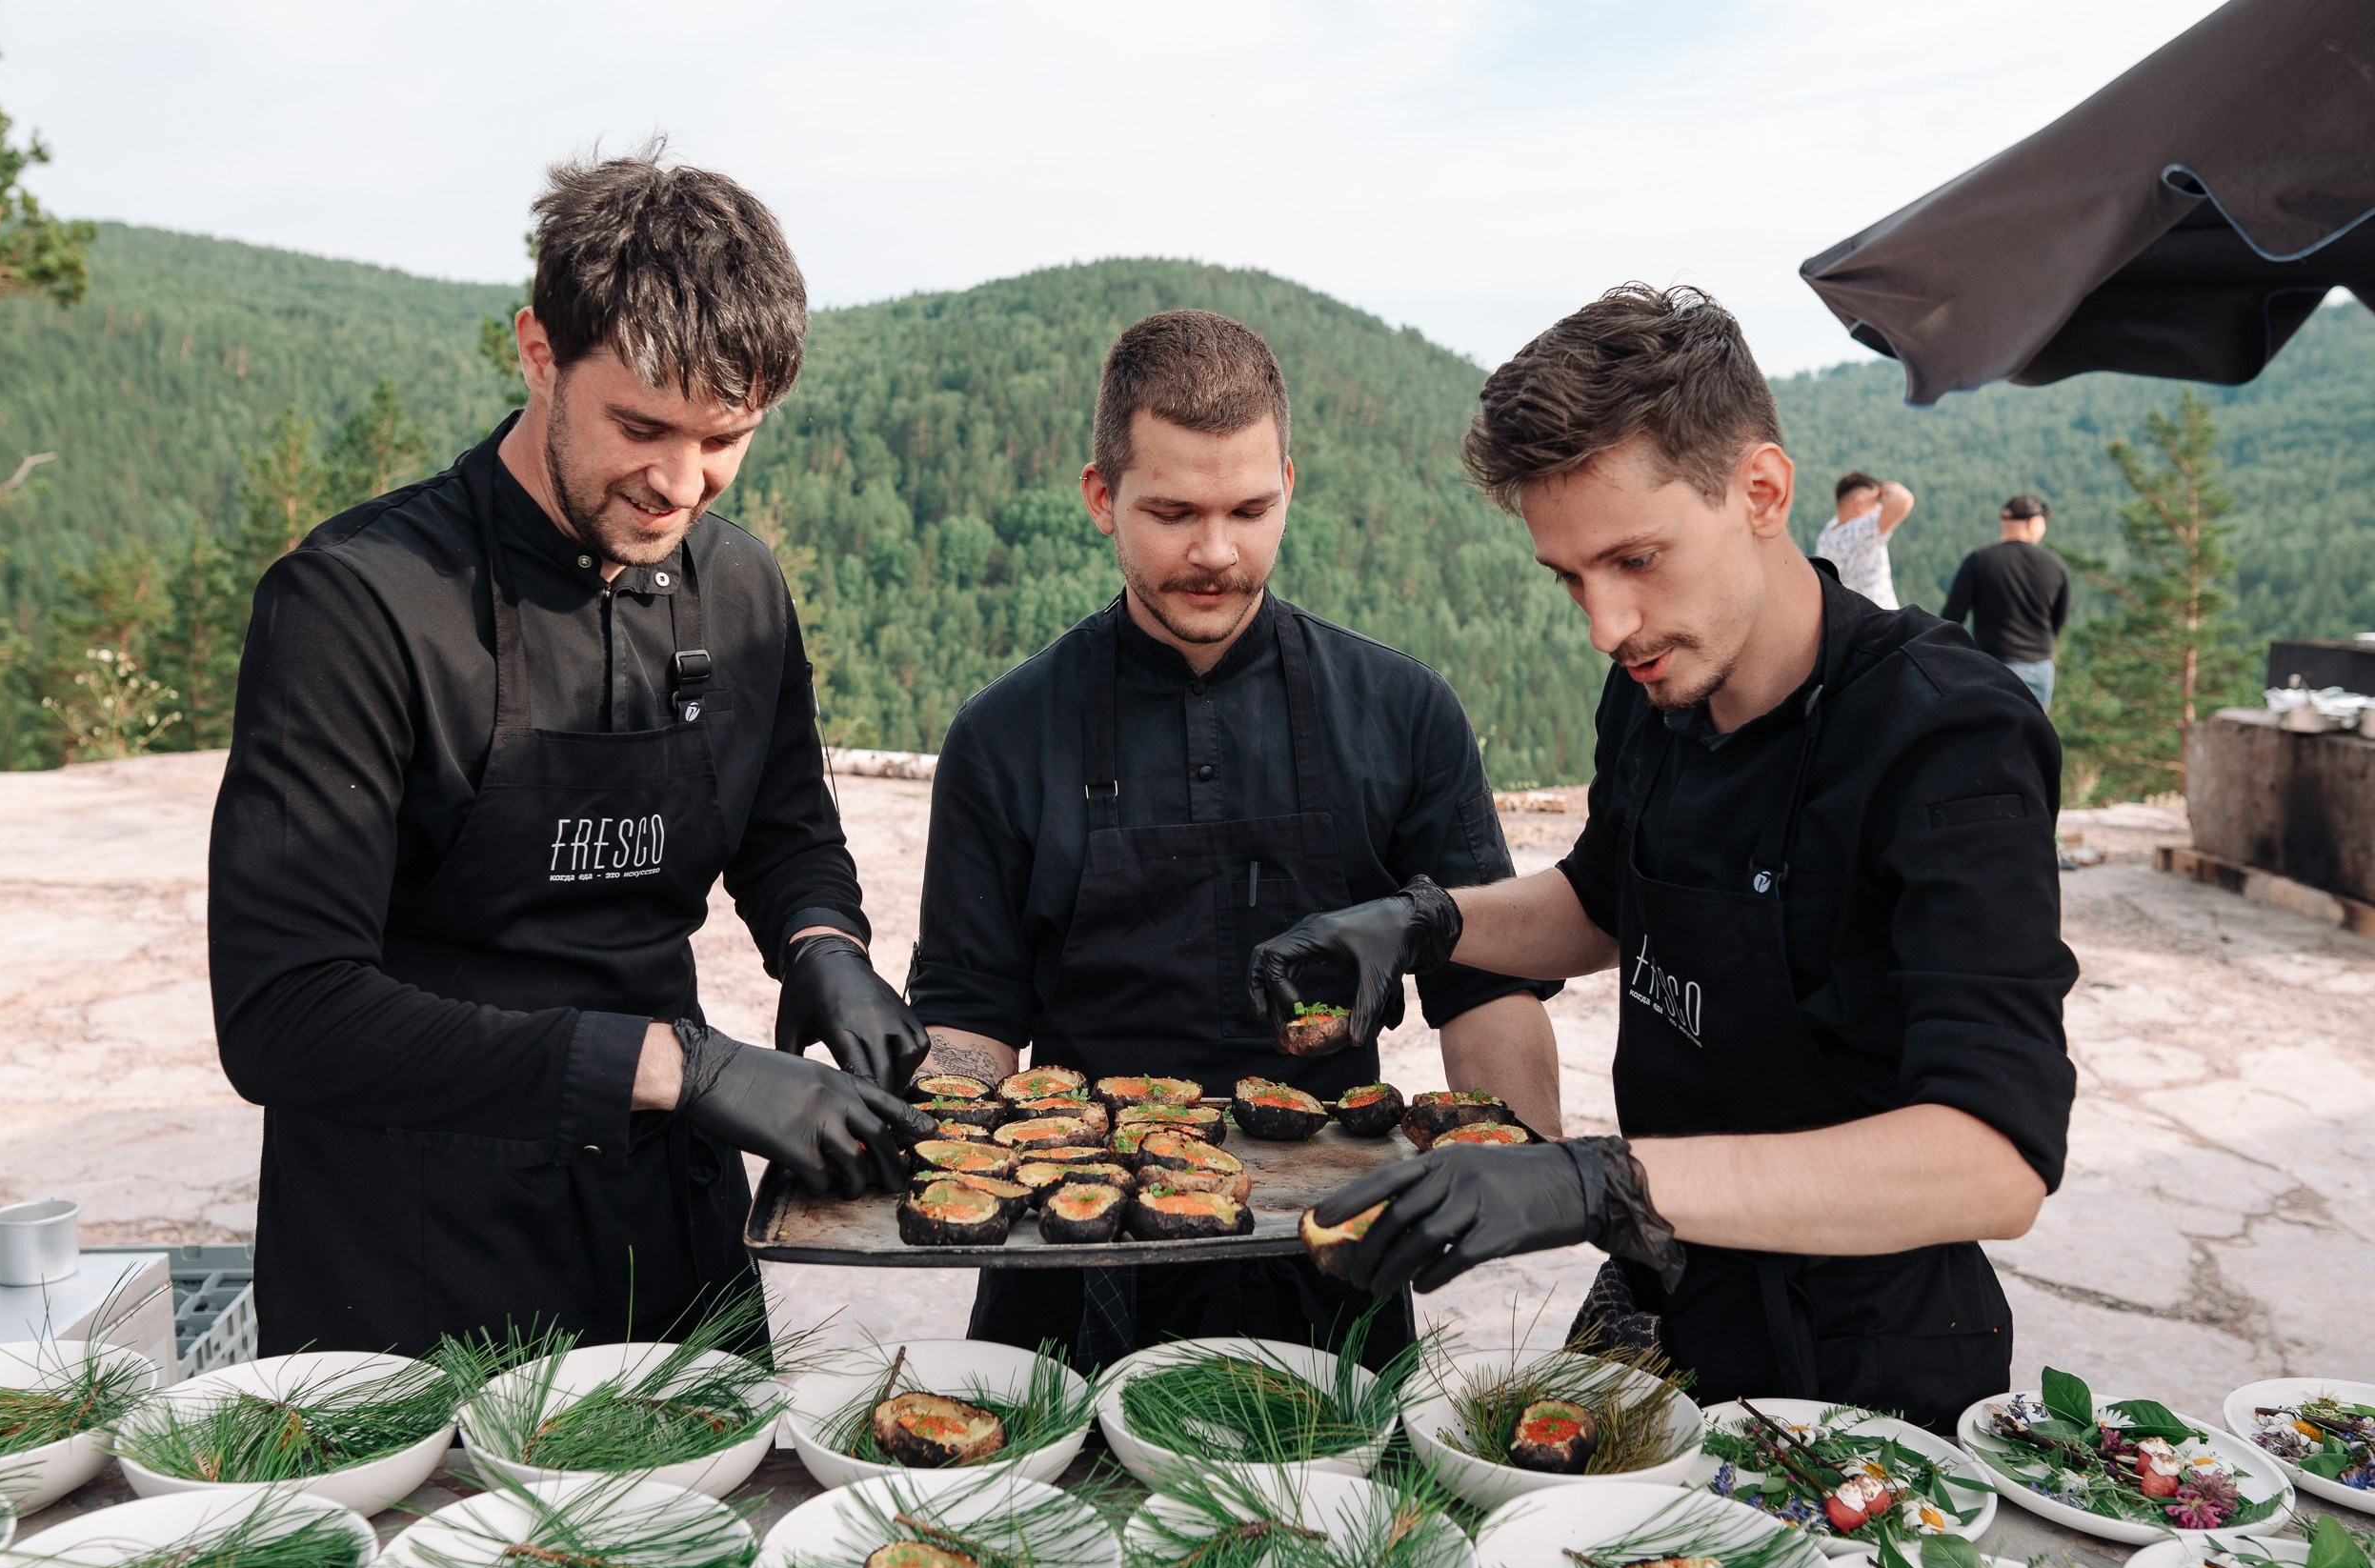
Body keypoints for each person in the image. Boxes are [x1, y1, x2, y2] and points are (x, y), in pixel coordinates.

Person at [1258, 285, 2077, 1429]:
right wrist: (1422, 922)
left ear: (1761, 492)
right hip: (1659, 1282)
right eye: (1571, 578)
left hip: (1860, 1353)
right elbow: (1605, 900)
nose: (1605, 624)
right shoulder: (1655, 685)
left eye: (1636, 560)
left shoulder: (1946, 736)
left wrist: (1597, 1174)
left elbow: (1994, 1162)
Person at [208, 154, 936, 1356]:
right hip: (417, 1257)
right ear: (538, 351)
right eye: (640, 427)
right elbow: (286, 1015)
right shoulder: (357, 607)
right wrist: (684, 1066)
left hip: (667, 1232)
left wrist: (825, 950)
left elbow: (786, 828)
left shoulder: (738, 587)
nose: (678, 484)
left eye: (725, 439)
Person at [909, 310, 1563, 1370]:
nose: (1215, 552)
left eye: (1249, 510)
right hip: (1074, 1263)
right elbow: (970, 1017)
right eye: (1171, 512)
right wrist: (922, 1128)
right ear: (1100, 497)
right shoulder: (1001, 735)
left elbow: (1483, 985)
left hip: (1339, 1247)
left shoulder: (1403, 711)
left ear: (1289, 488)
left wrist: (1527, 1175)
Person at [1942, 495, 2071, 711]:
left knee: (1989, 736)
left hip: (1990, 665)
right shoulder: (2055, 565)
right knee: (2032, 739)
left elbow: (1952, 617)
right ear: (2033, 523)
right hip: (2038, 666)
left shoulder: (1979, 560)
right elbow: (2060, 619)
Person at [1811, 469, 1913, 610]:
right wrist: (1886, 490)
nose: (1880, 508)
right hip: (1882, 619)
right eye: (1877, 501)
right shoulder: (1860, 531)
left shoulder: (1827, 535)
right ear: (1859, 503)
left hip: (1850, 619)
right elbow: (1903, 500)